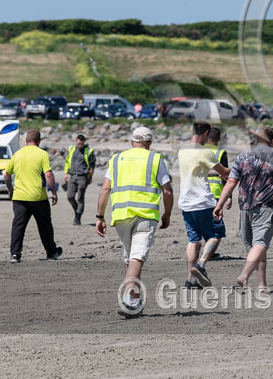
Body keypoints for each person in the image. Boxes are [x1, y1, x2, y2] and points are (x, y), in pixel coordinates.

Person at [214, 127, 273, 292]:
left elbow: (230, 182)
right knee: (259, 244)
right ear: (272, 142)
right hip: (264, 207)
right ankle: (244, 276)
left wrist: (219, 204)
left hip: (244, 208)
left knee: (256, 247)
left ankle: (262, 285)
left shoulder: (242, 157)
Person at [95, 126, 173, 318]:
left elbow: (105, 189)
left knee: (130, 260)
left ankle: (135, 302)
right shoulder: (155, 159)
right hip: (146, 214)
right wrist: (167, 214)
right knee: (137, 258)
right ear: (149, 143)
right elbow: (168, 190)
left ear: (132, 142)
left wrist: (99, 216)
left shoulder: (116, 159)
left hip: (121, 215)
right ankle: (128, 300)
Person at [178, 122, 230, 290]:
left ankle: (190, 281)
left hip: (186, 202)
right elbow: (223, 172)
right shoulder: (204, 151)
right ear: (206, 133)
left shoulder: (182, 150)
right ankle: (200, 265)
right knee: (215, 235)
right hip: (203, 201)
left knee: (193, 240)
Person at [4, 129, 62, 263]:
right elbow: (48, 174)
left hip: (19, 197)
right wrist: (53, 192)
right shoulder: (42, 154)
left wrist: (10, 189)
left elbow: (6, 175)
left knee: (18, 226)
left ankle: (15, 255)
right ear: (39, 141)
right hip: (38, 197)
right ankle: (51, 252)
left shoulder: (18, 154)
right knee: (44, 225)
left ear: (26, 141)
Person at [206, 126, 232, 258]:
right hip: (217, 193)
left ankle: (203, 250)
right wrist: (229, 196)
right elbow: (227, 177)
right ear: (219, 139)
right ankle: (210, 253)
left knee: (204, 223)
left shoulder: (199, 151)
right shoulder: (221, 153)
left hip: (201, 192)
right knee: (217, 225)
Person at [64, 134, 96, 226]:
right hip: (72, 176)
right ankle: (77, 210)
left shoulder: (89, 151)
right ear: (76, 142)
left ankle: (77, 218)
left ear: (84, 142)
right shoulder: (72, 149)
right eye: (78, 144)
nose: (80, 146)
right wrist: (66, 173)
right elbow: (67, 161)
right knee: (70, 196)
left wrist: (90, 177)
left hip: (83, 177)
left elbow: (92, 166)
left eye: (81, 144)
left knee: (80, 198)